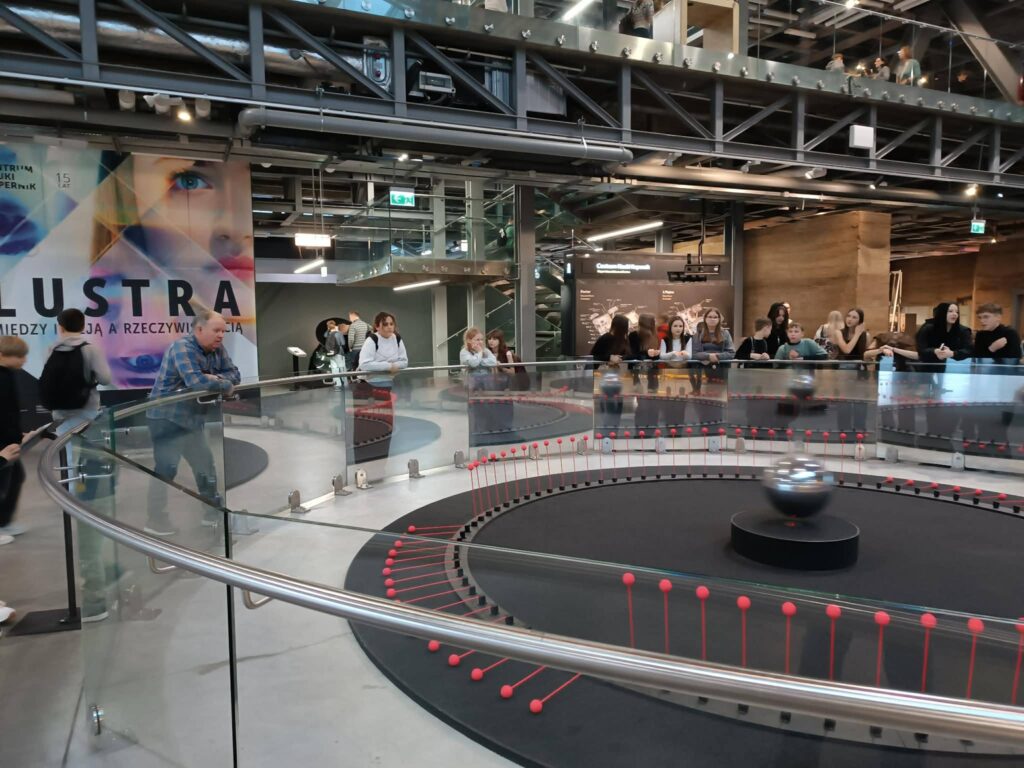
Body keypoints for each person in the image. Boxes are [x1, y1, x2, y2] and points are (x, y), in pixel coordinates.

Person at [144, 310, 241, 536]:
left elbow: (235, 374)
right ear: (199, 329)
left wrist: (215, 379)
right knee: (166, 469)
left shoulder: (217, 349)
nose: (221, 336)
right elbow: (196, 383)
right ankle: (155, 520)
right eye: (216, 330)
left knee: (205, 466)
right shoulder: (182, 348)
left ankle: (212, 514)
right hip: (166, 419)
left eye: (223, 331)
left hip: (192, 420)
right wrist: (222, 383)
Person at [43, 309, 113, 432]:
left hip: (60, 410)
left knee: (65, 443)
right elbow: (105, 379)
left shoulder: (51, 350)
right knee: (89, 443)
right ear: (83, 327)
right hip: (87, 408)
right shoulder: (91, 349)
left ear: (60, 328)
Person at [0, 336, 29, 543]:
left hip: (8, 439)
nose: (23, 360)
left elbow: (10, 412)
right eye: (18, 356)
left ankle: (4, 521)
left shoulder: (8, 376)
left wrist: (18, 436)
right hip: (3, 441)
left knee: (16, 477)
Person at [915, 302, 973, 369]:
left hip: (957, 368)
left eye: (957, 312)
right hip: (928, 367)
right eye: (950, 311)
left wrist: (952, 353)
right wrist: (935, 351)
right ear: (942, 313)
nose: (955, 314)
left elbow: (969, 350)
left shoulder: (964, 330)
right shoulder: (928, 328)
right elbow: (921, 349)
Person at [324, 319, 347, 388]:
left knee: (334, 369)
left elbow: (324, 335)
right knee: (342, 369)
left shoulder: (328, 334)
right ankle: (345, 384)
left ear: (328, 327)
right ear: (335, 325)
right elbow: (343, 343)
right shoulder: (339, 333)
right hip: (339, 353)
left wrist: (329, 329)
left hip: (331, 354)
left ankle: (337, 385)